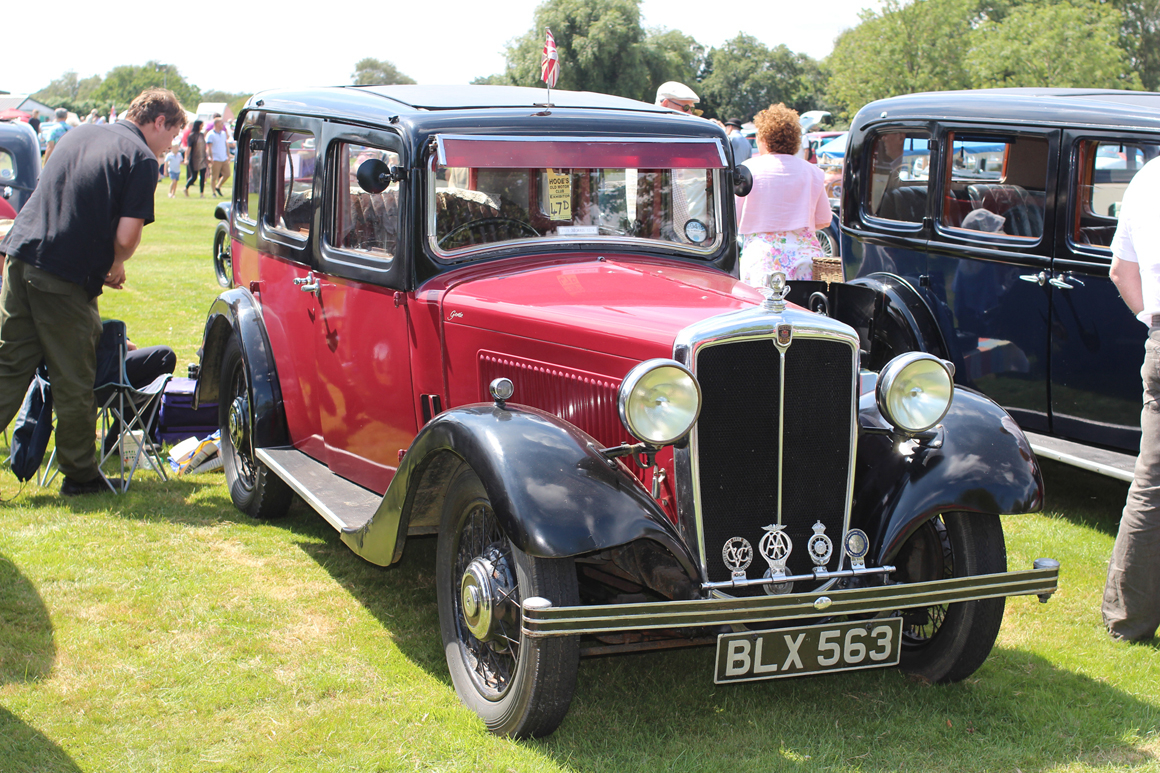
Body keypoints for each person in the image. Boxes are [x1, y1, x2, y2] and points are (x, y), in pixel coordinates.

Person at [0, 87, 185, 496]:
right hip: (61, 277)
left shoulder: (79, 133)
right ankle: (81, 475)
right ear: (159, 122)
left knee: (10, 366)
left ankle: (79, 469)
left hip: (19, 254)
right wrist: (115, 262)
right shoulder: (140, 158)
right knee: (75, 378)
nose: (170, 146)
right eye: (171, 136)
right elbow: (126, 237)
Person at [1104, 155, 1160, 643]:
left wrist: (1152, 321)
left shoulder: (1148, 177)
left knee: (1151, 483)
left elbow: (1121, 271)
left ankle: (1129, 616)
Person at [734, 103, 830, 286]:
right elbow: (824, 219)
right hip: (805, 259)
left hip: (762, 259)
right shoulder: (813, 172)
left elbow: (734, 218)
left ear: (764, 138)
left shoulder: (747, 170)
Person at [205, 113, 231, 197]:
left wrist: (228, 155)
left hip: (223, 157)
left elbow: (226, 144)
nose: (222, 125)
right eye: (221, 123)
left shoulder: (223, 133)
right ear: (216, 124)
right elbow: (209, 147)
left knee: (227, 174)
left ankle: (218, 186)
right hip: (215, 158)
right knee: (214, 176)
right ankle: (213, 193)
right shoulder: (210, 134)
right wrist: (210, 157)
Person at [184, 119, 207, 197]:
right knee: (194, 177)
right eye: (201, 125)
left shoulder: (201, 135)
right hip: (194, 159)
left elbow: (203, 147)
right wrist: (186, 158)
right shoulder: (191, 136)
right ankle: (186, 188)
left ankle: (201, 193)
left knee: (203, 176)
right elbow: (189, 148)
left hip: (202, 157)